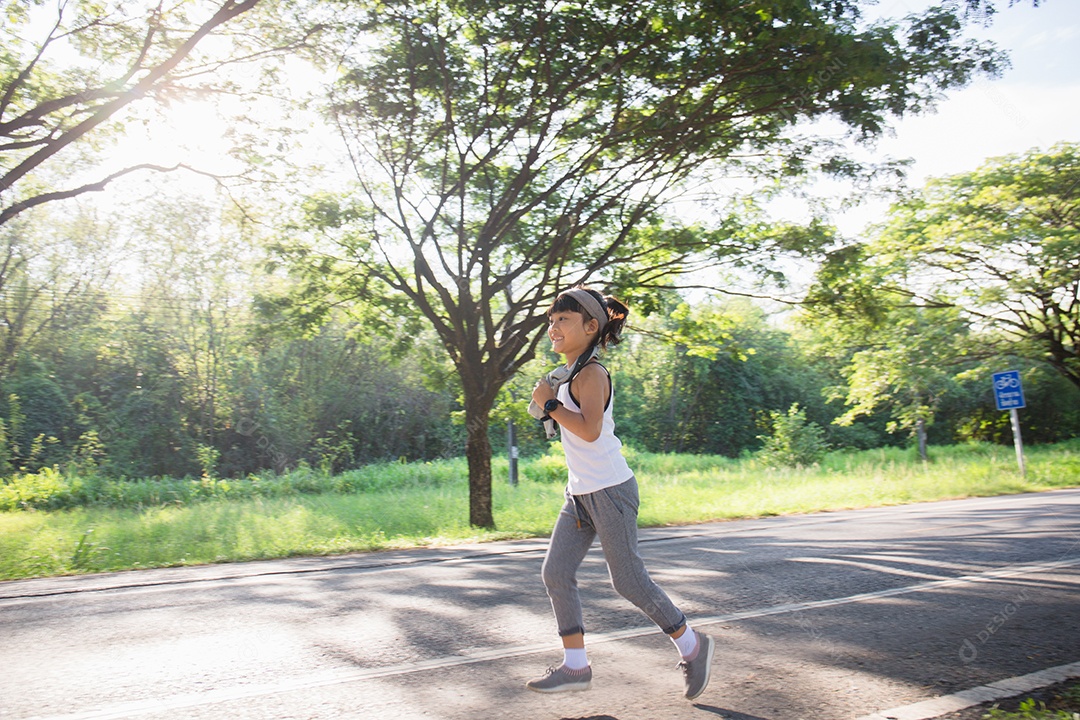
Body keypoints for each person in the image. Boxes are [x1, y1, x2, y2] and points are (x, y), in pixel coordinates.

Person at [527, 285, 714, 701]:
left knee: (628, 581)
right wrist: (549, 400)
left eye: (564, 320)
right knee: (555, 573)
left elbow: (590, 431)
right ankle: (576, 666)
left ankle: (694, 646)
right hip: (580, 494)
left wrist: (550, 404)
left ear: (591, 327)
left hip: (610, 490)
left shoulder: (592, 373)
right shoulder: (570, 373)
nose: (554, 327)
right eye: (552, 320)